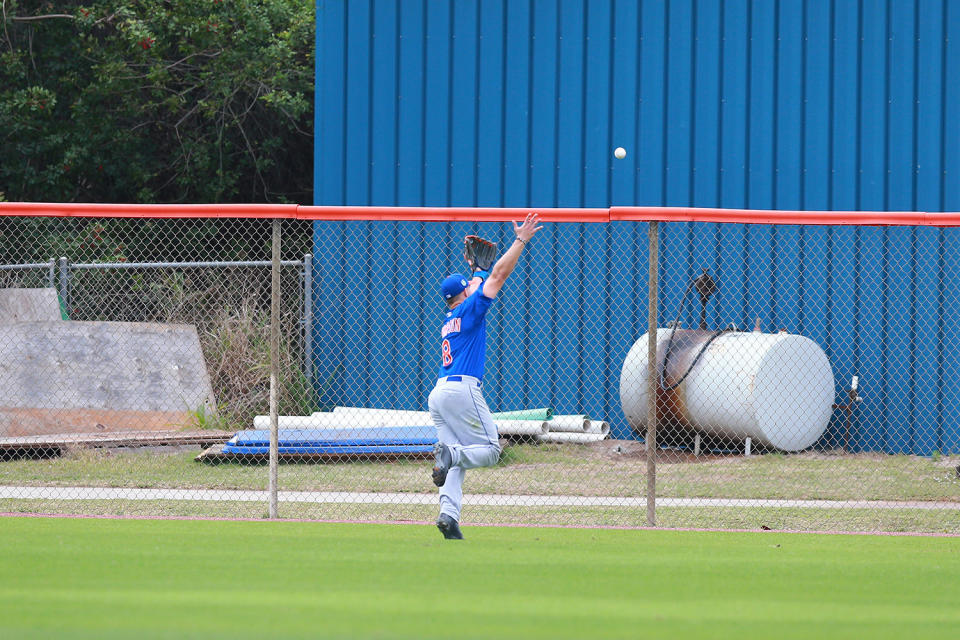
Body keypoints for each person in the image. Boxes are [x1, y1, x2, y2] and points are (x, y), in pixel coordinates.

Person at [429, 212, 544, 540]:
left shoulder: (452, 315)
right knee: (491, 449)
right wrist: (521, 240)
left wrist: (474, 272)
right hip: (462, 390)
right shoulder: (470, 310)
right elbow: (498, 276)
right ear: (464, 295)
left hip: (438, 395)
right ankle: (450, 454)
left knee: (455, 460)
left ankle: (448, 517)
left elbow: (479, 283)